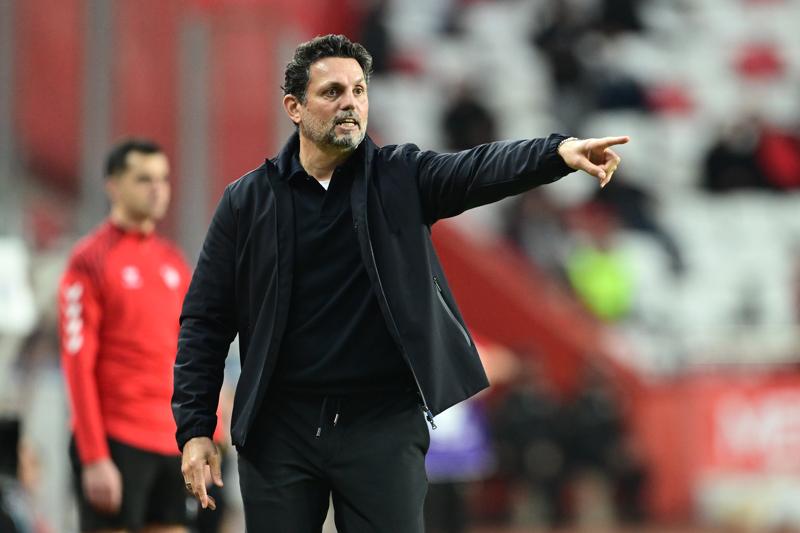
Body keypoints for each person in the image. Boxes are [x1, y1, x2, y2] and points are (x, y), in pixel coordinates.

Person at [173, 33, 628, 532]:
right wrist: (196, 428)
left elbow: (477, 169)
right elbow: (205, 321)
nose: (350, 103)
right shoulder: (246, 201)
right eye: (332, 92)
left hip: (382, 423)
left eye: (359, 90)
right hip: (279, 428)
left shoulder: (400, 176)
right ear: (294, 107)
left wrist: (557, 152)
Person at [59, 139, 194, 533]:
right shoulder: (90, 260)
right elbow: (77, 363)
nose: (158, 189)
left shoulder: (173, 263)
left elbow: (193, 353)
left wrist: (210, 428)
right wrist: (94, 456)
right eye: (144, 179)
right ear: (114, 186)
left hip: (171, 441)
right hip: (117, 439)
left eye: (163, 179)